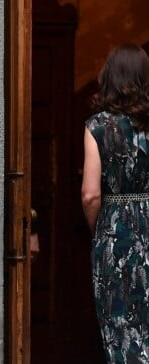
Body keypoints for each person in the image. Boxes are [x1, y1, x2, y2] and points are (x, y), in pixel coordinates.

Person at [81, 43, 149, 362]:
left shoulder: (97, 126)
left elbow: (90, 194)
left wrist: (101, 228)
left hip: (115, 233)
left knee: (119, 323)